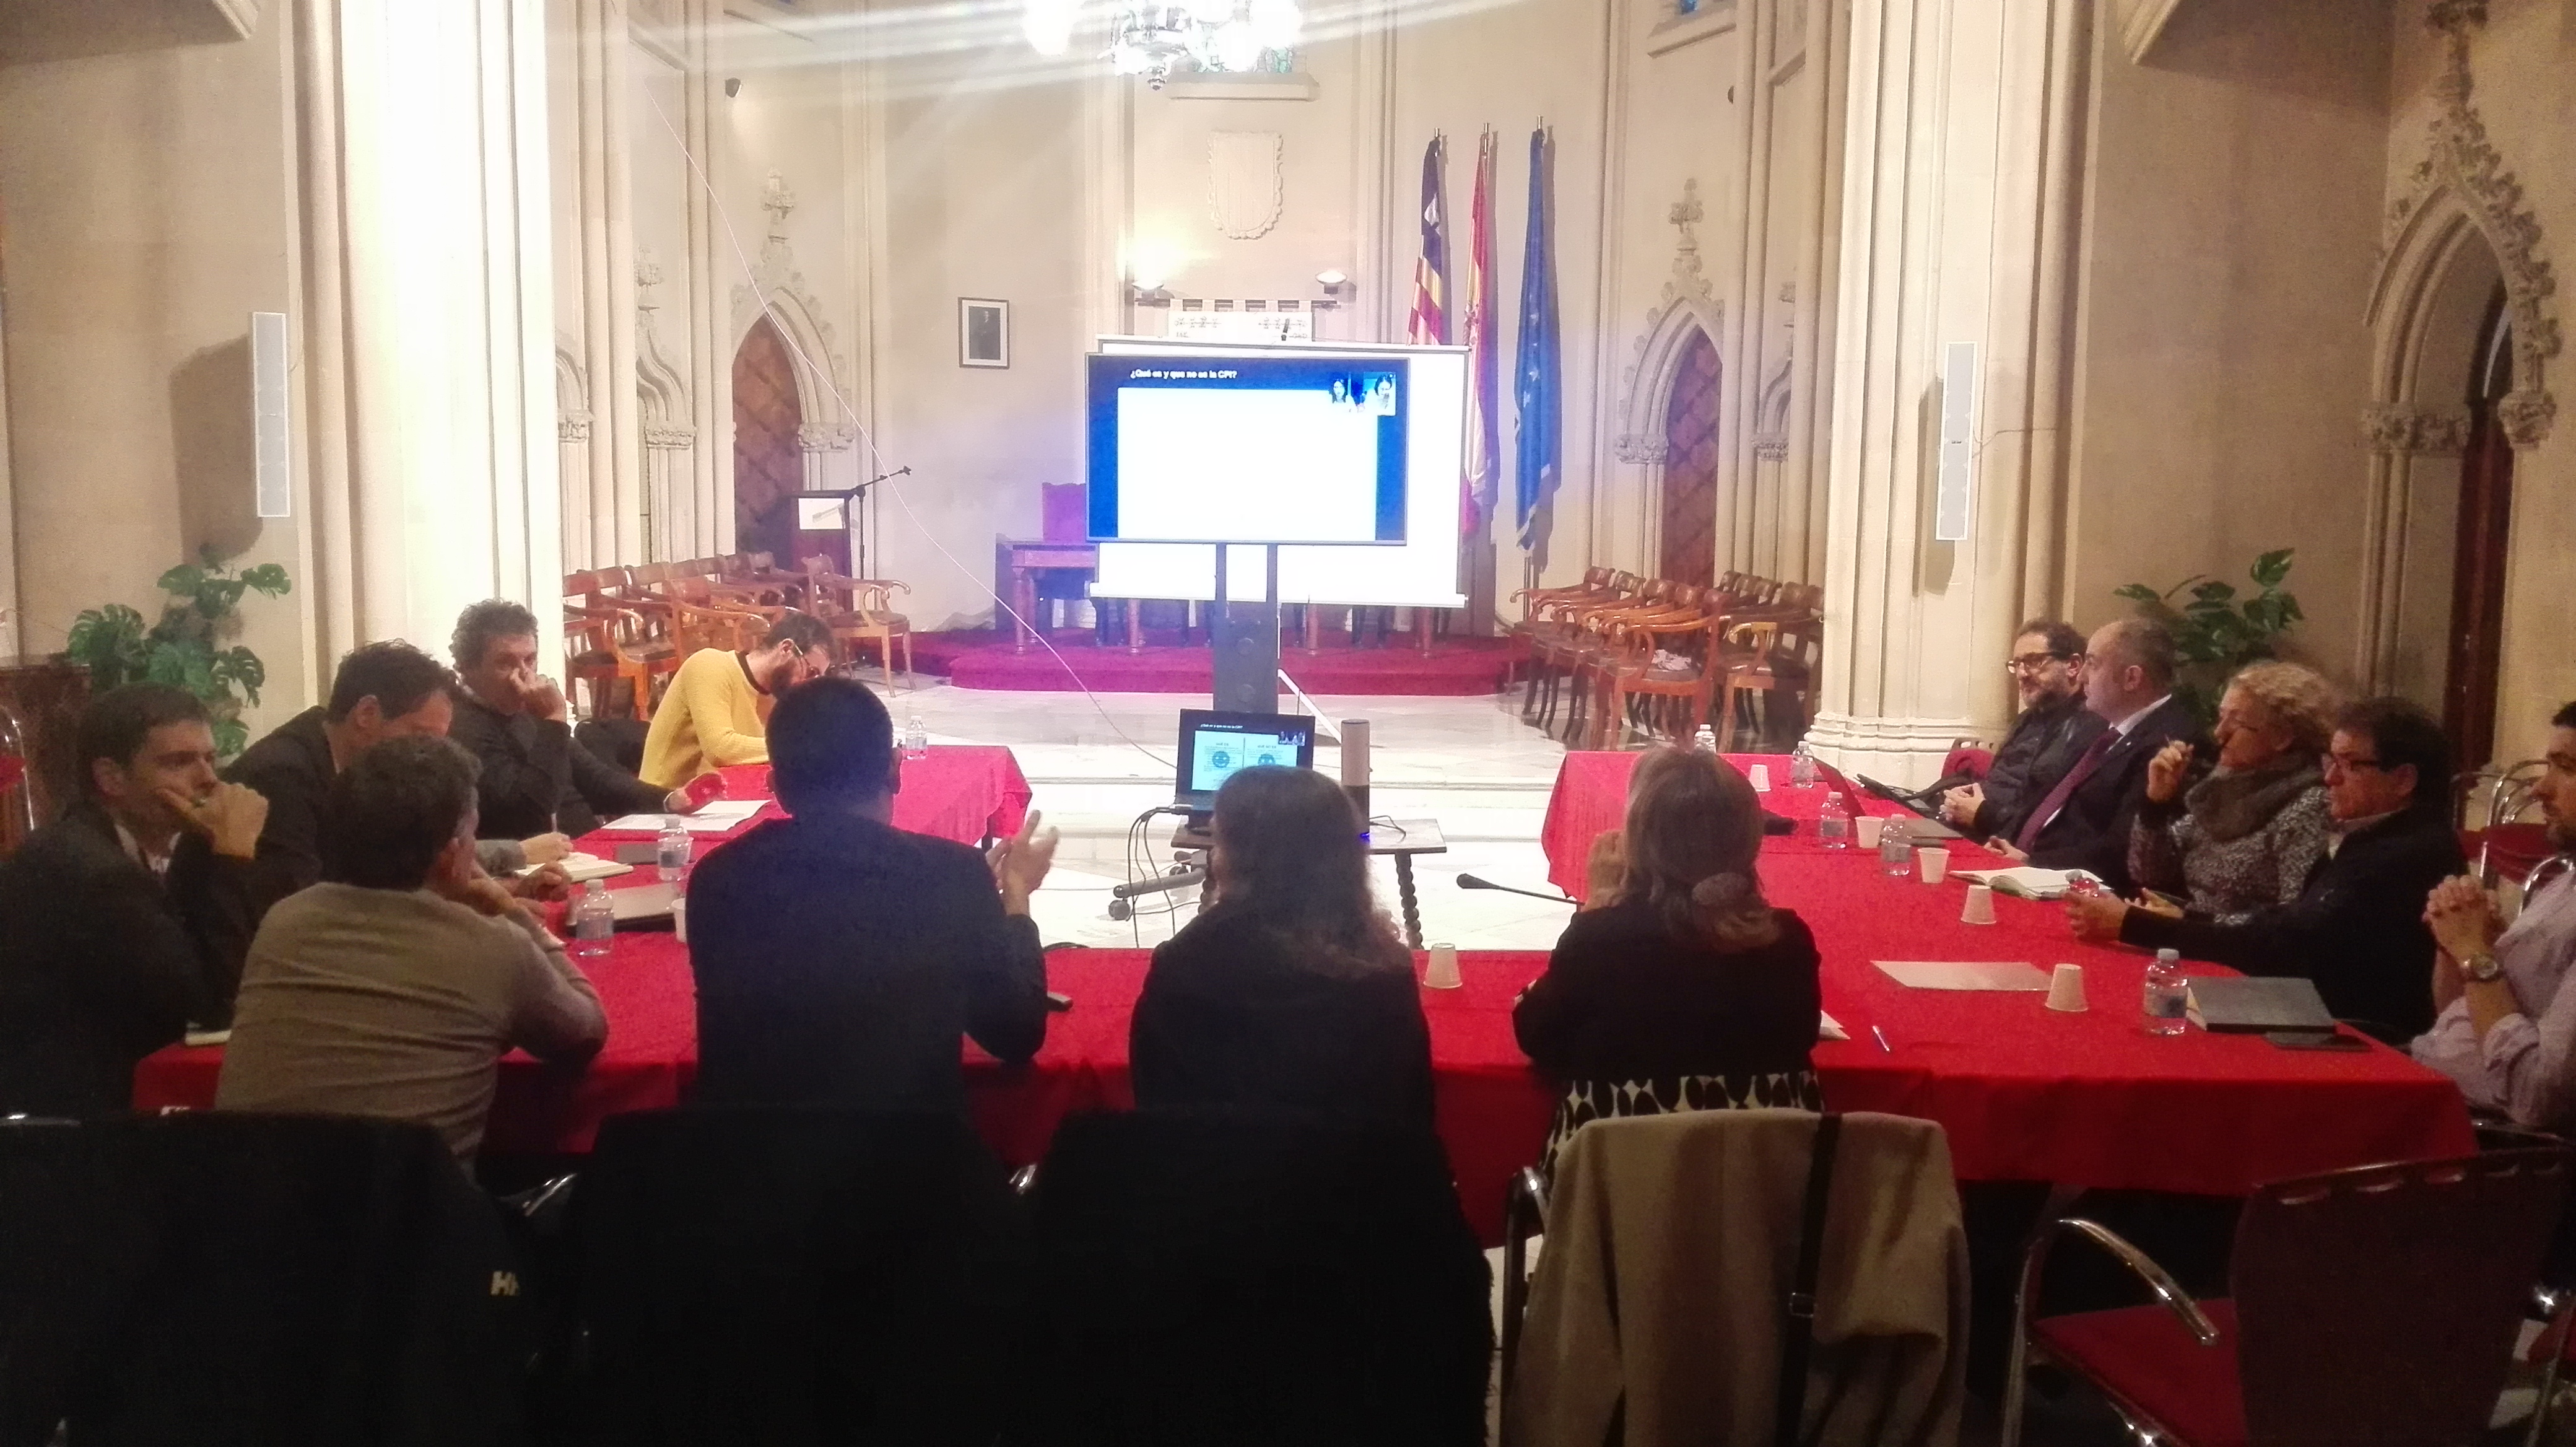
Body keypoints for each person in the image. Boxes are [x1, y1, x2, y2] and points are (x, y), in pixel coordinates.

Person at [215, 736, 607, 1161]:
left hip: (253, 1196)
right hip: (414, 1200)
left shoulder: (282, 922)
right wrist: (512, 912)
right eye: (472, 834)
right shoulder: (493, 946)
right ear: (453, 854)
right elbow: (585, 1034)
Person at [685, 675, 1055, 1110]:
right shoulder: (951, 876)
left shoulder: (717, 879)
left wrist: (969, 898)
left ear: (777, 786)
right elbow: (1016, 1034)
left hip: (752, 1152)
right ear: (895, 770)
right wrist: (1014, 896)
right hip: (906, 1152)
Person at [2071, 697, 2464, 1040]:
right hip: (2300, 1003)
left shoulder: (2406, 855)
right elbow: (2290, 923)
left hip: (2349, 1034)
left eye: (2349, 764)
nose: (2330, 778)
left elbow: (2286, 946)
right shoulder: (2375, 835)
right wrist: (2187, 916)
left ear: (2403, 780)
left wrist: (2136, 926)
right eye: (2331, 760)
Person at [1513, 748, 1822, 1178]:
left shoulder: (1602, 940)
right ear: (1749, 838)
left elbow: (1539, 1037)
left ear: (1641, 840)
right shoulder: (1786, 939)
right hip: (1764, 1195)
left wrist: (1595, 907)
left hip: (1617, 1196)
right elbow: (1804, 1034)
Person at [0, 684, 267, 1114]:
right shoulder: (96, 875)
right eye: (178, 762)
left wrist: (210, 846)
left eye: (209, 758)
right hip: (66, 1128)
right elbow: (215, 1007)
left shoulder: (95, 842)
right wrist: (232, 857)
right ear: (111, 778)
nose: (208, 779)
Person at [1129, 765, 1434, 1127]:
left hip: (1218, 1161)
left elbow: (1156, 1103)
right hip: (1359, 1164)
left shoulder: (1185, 964)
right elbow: (1411, 1109)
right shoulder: (1384, 966)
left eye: (1218, 842)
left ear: (1237, 859)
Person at [227, 640, 560, 909]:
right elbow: (311, 911)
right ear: (367, 713)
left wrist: (504, 891)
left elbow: (414, 866)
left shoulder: (356, 764)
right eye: (422, 736)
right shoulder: (281, 778)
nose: (432, 756)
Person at [2411, 704, 2576, 1129]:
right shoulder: (2564, 884)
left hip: (2495, 1146)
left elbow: (2535, 1098)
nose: (2539, 789)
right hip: (2433, 1090)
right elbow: (2453, 1017)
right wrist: (2459, 943)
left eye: (2567, 768)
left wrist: (2476, 955)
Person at [447, 599, 692, 840]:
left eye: (530, 660)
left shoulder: (528, 711)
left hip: (586, 846)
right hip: (543, 856)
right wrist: (554, 721)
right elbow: (528, 814)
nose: (522, 675)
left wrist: (669, 799)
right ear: (467, 668)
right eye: (505, 663)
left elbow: (597, 780)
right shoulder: (461, 726)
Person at [2125, 661, 2338, 923]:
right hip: (2190, 935)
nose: (2218, 732)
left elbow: (2293, 923)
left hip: (2230, 946)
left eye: (2235, 723)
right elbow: (2148, 873)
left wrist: (2191, 921)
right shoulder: (2225, 787)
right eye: (2221, 716)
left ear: (2281, 737)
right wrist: (2156, 803)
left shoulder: (2309, 805)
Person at [2001, 616, 2202, 894]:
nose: (2082, 676)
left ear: (2132, 678)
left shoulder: (2169, 744)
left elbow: (2121, 847)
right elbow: (2041, 799)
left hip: (2079, 890)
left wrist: (2032, 862)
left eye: (2093, 664)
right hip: (2026, 869)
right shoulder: (2096, 727)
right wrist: (2005, 842)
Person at [1941, 619, 2104, 843]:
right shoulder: (2027, 719)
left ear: (2073, 666)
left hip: (2006, 844)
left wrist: (1981, 814)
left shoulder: (2089, 727)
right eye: (2017, 664)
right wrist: (1963, 800)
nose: (2022, 674)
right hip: (1981, 830)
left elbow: (2044, 818)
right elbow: (2001, 783)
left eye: (2034, 661)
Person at [639, 611, 835, 790]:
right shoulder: (710, 665)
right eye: (811, 671)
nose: (811, 683)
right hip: (664, 803)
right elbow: (720, 749)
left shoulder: (778, 694)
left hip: (722, 800)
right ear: (786, 648)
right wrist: (802, 749)